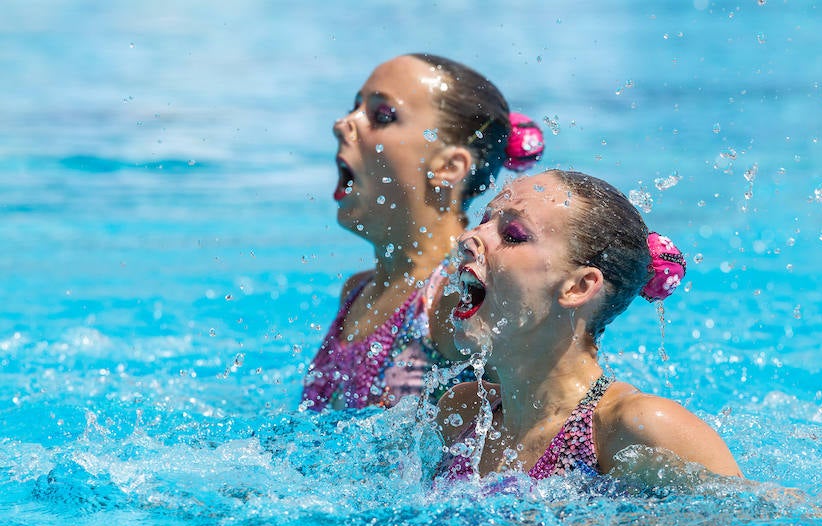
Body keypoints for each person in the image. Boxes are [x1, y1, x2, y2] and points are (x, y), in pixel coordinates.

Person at [436, 169, 743, 482]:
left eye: (513, 235)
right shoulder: (463, 413)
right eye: (484, 220)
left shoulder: (633, 430)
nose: (467, 238)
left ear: (579, 287)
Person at [301, 54, 544, 411]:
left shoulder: (459, 302)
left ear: (449, 166)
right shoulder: (356, 293)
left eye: (382, 115)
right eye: (354, 108)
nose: (342, 124)